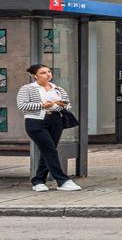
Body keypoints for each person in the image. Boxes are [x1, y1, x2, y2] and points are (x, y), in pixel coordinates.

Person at [17, 63, 80, 192]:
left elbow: (67, 105)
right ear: (35, 76)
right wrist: (42, 105)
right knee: (50, 149)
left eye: (49, 72)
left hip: (56, 121)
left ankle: (38, 181)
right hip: (36, 122)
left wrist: (56, 106)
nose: (48, 74)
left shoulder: (57, 89)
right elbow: (22, 106)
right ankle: (62, 180)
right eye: (43, 72)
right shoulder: (27, 89)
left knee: (48, 150)